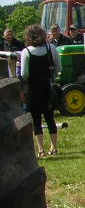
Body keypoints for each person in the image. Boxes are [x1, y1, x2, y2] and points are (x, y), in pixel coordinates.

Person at [18, 24, 61, 156]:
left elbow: (24, 73)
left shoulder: (26, 51)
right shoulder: (51, 48)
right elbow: (58, 68)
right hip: (48, 88)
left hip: (33, 90)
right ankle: (54, 148)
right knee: (50, 118)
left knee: (36, 120)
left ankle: (41, 150)